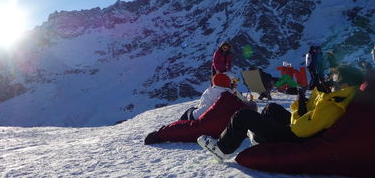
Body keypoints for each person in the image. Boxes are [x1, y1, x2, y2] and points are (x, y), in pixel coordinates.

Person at [197, 65, 363, 162]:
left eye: (332, 80)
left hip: (298, 137)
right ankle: (262, 138)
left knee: (243, 115)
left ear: (344, 85)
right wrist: (314, 95)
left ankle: (222, 149)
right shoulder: (337, 96)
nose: (328, 81)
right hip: (304, 128)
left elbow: (300, 128)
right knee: (272, 108)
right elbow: (312, 113)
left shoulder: (334, 105)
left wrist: (299, 103)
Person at [144, 73, 255, 145]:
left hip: (206, 119)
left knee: (189, 113)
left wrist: (160, 134)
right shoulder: (232, 94)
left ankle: (180, 121)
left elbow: (203, 108)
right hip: (226, 125)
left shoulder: (210, 91)